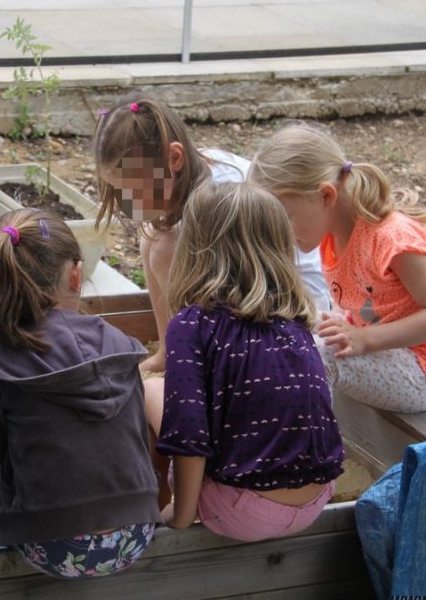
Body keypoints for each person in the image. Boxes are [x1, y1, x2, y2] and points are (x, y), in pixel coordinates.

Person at [144, 181, 344, 542]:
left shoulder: (191, 325)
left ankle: (159, 497)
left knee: (149, 390)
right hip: (316, 501)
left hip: (243, 511)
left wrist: (181, 515)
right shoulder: (296, 322)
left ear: (196, 249)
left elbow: (189, 434)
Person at [0, 208, 160, 579]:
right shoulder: (118, 342)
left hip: (51, 548)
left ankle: (5, 540)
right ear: (75, 275)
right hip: (134, 536)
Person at [93, 97, 331, 373]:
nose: (127, 201)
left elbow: (245, 277)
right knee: (154, 235)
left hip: (295, 305)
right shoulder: (193, 170)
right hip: (254, 286)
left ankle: (193, 361)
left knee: (165, 248)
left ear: (174, 158)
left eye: (134, 189)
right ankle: (170, 351)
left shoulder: (219, 193)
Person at [249, 121, 426, 413]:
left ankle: (310, 450)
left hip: (423, 370)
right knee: (285, 327)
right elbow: (358, 304)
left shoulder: (392, 238)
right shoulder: (330, 235)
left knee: (316, 355)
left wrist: (364, 339)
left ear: (326, 195)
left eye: (286, 217)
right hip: (375, 349)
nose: (282, 232)